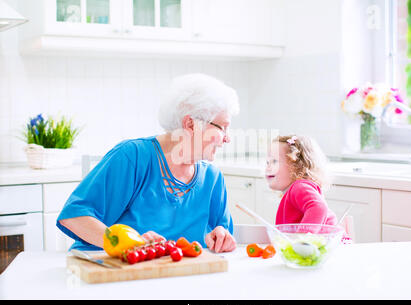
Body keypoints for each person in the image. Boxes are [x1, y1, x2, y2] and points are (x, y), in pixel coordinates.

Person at [57, 73, 239, 253]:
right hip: (109, 273)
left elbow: (222, 235)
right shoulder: (132, 157)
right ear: (190, 124)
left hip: (172, 277)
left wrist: (220, 237)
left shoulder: (212, 179)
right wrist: (128, 243)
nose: (227, 138)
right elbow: (74, 216)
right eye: (222, 127)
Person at [265, 134, 337, 226]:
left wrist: (303, 237)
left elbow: (319, 208)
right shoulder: (295, 190)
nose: (268, 167)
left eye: (275, 161)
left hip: (327, 240)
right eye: (267, 162)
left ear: (296, 166)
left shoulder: (299, 187)